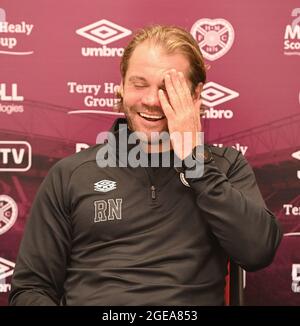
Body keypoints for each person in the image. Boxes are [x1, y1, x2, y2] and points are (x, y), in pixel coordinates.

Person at [9, 25, 282, 306]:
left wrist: (194, 160)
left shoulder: (225, 166)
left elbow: (257, 252)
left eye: (167, 88)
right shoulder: (70, 174)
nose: (151, 101)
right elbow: (30, 289)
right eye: (139, 84)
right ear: (122, 86)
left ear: (195, 94)